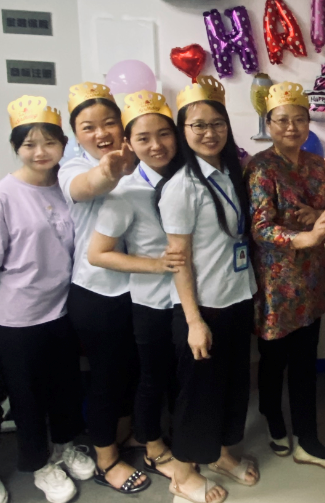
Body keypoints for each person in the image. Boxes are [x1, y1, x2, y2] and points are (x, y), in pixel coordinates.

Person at [85, 90, 221, 502]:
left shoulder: (193, 177)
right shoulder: (126, 192)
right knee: (152, 379)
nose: (157, 145)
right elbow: (98, 254)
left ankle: (184, 445)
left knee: (183, 378)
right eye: (143, 138)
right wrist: (156, 265)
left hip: (192, 298)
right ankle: (153, 447)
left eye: (164, 134)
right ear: (129, 143)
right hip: (152, 303)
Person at [158, 75, 259, 496]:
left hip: (236, 298)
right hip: (204, 307)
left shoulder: (230, 173)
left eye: (217, 123)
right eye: (197, 125)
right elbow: (178, 260)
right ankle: (182, 476)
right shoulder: (181, 187)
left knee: (231, 387)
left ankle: (219, 454)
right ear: (183, 130)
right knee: (198, 396)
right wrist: (194, 321)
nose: (209, 132)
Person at [245, 82, 325, 471]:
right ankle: (273, 419)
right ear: (268, 124)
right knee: (273, 361)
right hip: (275, 285)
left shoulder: (318, 165)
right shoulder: (260, 168)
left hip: (311, 279)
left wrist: (323, 215)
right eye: (282, 120)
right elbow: (260, 229)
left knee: (306, 362)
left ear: (308, 123)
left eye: (299, 119)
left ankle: (308, 438)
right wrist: (302, 237)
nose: (291, 127)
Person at [1, 95, 94, 503]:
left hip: (63, 309)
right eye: (29, 144)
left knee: (65, 387)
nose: (40, 152)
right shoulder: (6, 194)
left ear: (63, 144)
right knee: (28, 396)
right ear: (16, 147)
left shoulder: (67, 187)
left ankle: (65, 446)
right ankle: (40, 464)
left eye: (49, 142)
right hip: (19, 316)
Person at [59, 82, 149, 495]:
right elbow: (86, 187)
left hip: (139, 288)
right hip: (96, 292)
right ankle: (106, 460)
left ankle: (125, 434)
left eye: (109, 123)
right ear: (76, 135)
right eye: (88, 127)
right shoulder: (72, 168)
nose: (101, 133)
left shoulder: (142, 157)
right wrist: (111, 170)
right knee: (106, 378)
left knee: (134, 371)